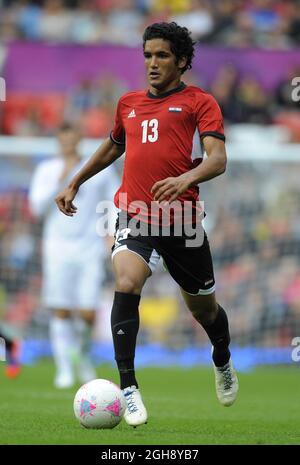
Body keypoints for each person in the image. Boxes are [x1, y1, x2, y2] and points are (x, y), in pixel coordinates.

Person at [55, 22, 239, 424]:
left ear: (182, 61)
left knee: (205, 311)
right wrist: (75, 182)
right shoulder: (129, 103)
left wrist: (186, 179)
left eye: (162, 56)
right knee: (126, 281)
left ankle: (222, 358)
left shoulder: (199, 102)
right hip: (134, 215)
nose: (152, 64)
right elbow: (112, 146)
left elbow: (218, 159)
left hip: (183, 222)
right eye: (148, 55)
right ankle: (128, 386)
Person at [29, 123, 119, 389]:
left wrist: (111, 232)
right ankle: (64, 367)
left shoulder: (98, 170)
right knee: (61, 309)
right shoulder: (47, 170)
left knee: (88, 312)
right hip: (57, 247)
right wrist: (63, 179)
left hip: (90, 247)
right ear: (58, 141)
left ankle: (83, 358)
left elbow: (114, 201)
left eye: (72, 139)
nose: (68, 144)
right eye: (63, 140)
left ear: (79, 140)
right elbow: (36, 207)